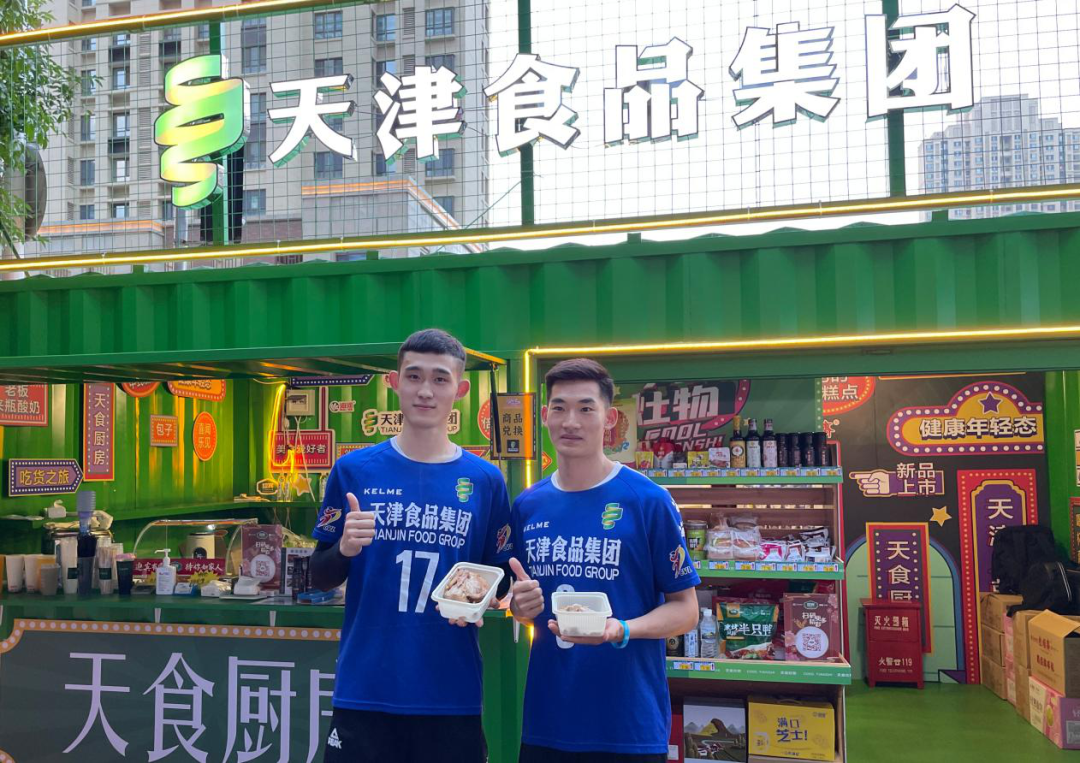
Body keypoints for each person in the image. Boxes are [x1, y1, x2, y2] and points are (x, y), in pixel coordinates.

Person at [310, 328, 513, 763]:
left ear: (460, 390)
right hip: (366, 688)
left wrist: (487, 600)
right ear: (394, 382)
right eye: (414, 376)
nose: (425, 390)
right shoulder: (353, 470)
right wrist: (344, 548)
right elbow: (319, 575)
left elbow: (498, 579)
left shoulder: (485, 480)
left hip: (451, 691)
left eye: (440, 379)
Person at [509, 358, 700, 762]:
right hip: (548, 721)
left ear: (609, 418)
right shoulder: (528, 505)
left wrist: (622, 629)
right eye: (559, 408)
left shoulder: (648, 501)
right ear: (544, 416)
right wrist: (519, 607)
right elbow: (524, 607)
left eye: (586, 408)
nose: (570, 422)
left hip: (628, 725)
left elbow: (686, 611)